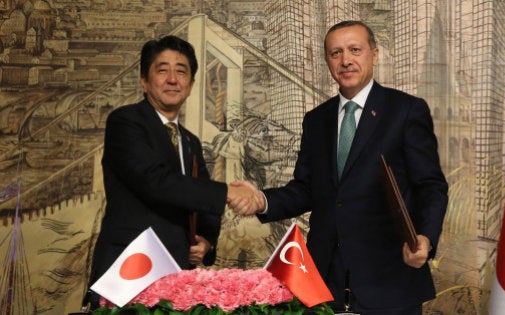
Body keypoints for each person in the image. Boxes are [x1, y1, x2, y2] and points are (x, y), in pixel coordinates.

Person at [230, 21, 449, 314]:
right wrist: (262, 200)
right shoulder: (316, 120)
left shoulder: (406, 110)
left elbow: (431, 186)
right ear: (327, 61)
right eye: (335, 53)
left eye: (354, 50)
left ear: (374, 54)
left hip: (389, 281)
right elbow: (306, 189)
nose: (345, 60)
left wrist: (425, 237)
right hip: (326, 282)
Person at [86, 35, 252, 309]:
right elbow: (157, 182)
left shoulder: (190, 141)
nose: (172, 79)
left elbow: (202, 200)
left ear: (191, 85)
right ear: (144, 80)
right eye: (162, 70)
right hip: (129, 271)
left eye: (181, 71)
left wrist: (208, 240)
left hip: (177, 276)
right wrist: (228, 192)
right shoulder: (125, 122)